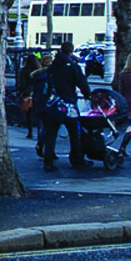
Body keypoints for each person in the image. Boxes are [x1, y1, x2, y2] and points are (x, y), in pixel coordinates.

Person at [40, 40, 91, 172]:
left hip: (53, 103)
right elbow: (82, 83)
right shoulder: (73, 66)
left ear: (60, 50)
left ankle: (48, 161)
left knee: (51, 133)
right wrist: (87, 95)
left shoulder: (52, 67)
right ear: (71, 52)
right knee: (74, 133)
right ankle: (77, 159)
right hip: (68, 103)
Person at [16, 50, 42, 142]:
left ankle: (30, 131)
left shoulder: (24, 71)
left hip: (27, 93)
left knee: (29, 113)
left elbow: (21, 83)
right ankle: (39, 132)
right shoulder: (39, 71)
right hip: (38, 93)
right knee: (39, 114)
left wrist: (23, 91)